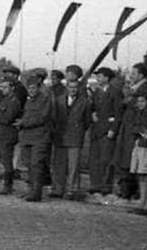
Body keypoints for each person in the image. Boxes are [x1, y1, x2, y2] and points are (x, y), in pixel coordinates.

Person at [50, 67, 93, 199]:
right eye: (70, 87)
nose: (73, 90)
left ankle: (71, 190)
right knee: (59, 165)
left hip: (75, 137)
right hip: (60, 136)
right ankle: (57, 189)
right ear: (66, 87)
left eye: (75, 88)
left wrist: (78, 130)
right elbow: (54, 118)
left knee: (73, 166)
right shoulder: (59, 100)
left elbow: (87, 121)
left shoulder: (84, 102)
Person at [17, 70, 54, 201]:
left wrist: (23, 123)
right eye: (29, 88)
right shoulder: (29, 101)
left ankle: (36, 193)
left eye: (33, 88)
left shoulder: (44, 99)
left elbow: (42, 118)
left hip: (39, 137)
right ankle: (31, 190)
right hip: (27, 137)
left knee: (36, 164)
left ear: (38, 88)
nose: (31, 90)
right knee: (28, 164)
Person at [88, 66, 123, 196]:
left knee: (106, 159)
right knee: (95, 158)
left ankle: (106, 186)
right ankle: (95, 184)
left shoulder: (115, 92)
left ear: (107, 78)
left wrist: (113, 129)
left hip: (108, 129)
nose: (98, 78)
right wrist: (92, 113)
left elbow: (118, 112)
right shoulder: (97, 92)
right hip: (97, 128)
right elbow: (92, 107)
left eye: (100, 76)